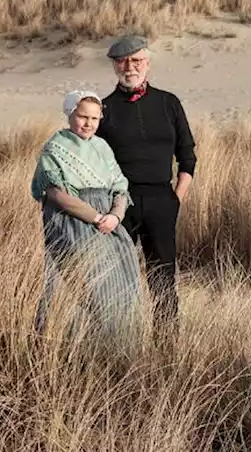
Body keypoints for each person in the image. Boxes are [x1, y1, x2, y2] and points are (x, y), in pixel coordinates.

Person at [94, 35, 196, 334]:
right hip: (120, 203)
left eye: (136, 60)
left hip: (162, 199)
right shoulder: (104, 109)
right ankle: (120, 338)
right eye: (123, 61)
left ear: (147, 64)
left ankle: (166, 342)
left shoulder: (169, 103)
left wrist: (176, 198)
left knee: (162, 275)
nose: (130, 67)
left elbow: (187, 155)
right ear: (114, 66)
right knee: (116, 274)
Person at [31, 90, 144, 345]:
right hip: (72, 221)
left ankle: (117, 345)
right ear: (71, 114)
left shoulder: (102, 147)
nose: (89, 123)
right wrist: (95, 217)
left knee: (122, 276)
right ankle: (67, 345)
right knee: (78, 284)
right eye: (83, 116)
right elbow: (56, 194)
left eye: (94, 118)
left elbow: (120, 187)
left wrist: (115, 216)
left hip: (108, 221)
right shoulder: (56, 147)